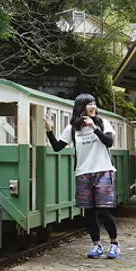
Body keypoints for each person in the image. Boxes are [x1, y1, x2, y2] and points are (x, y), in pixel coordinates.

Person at [44, 94, 119, 260]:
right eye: (90, 104)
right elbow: (58, 147)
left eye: (94, 103)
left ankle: (114, 244)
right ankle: (97, 246)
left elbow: (109, 142)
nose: (94, 107)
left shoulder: (102, 123)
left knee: (104, 211)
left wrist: (94, 127)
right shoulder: (73, 129)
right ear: (81, 107)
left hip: (103, 170)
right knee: (90, 212)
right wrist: (49, 130)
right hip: (83, 173)